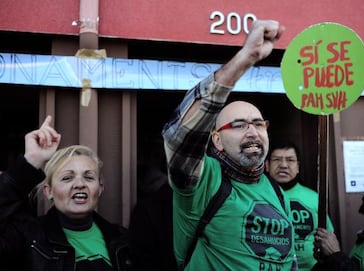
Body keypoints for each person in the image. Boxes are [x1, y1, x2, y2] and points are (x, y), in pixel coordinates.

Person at [162, 20, 297, 270]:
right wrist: (245, 59)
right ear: (217, 140)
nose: (252, 132)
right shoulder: (203, 180)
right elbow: (179, 137)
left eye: (258, 124)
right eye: (238, 125)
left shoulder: (277, 191)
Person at [0, 116, 133, 271]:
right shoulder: (28, 237)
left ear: (100, 187)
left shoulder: (123, 240)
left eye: (89, 177)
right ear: (48, 191)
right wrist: (31, 161)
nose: (80, 184)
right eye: (67, 178)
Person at [265, 140, 335, 271]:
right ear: (267, 165)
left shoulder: (314, 198)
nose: (283, 165)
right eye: (277, 160)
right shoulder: (257, 197)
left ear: (297, 167)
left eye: (290, 160)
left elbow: (329, 239)